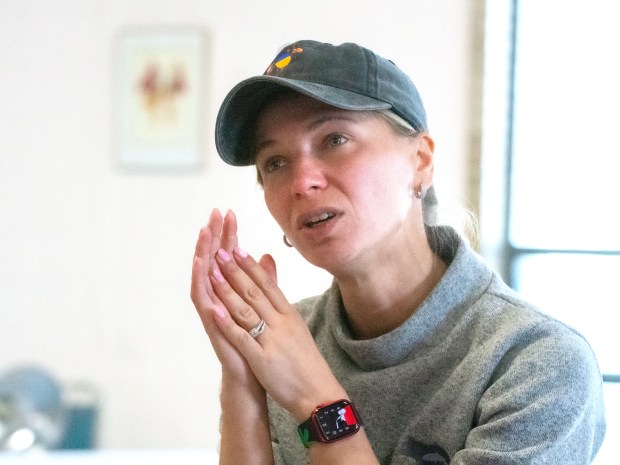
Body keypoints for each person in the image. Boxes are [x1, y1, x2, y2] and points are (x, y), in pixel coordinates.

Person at [190, 40, 606, 465]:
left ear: (420, 161)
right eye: (275, 162)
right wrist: (242, 382)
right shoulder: (280, 341)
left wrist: (318, 401)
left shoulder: (537, 363)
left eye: (334, 138)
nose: (302, 182)